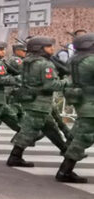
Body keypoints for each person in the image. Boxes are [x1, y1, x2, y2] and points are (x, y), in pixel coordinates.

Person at [7, 37, 71, 167]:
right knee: (29, 130)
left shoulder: (27, 61)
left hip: (31, 99)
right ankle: (15, 156)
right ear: (39, 49)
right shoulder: (45, 64)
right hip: (40, 102)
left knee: (50, 127)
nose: (52, 49)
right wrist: (67, 82)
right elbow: (50, 85)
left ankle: (65, 150)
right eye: (48, 46)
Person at [57, 33, 94, 183]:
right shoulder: (90, 60)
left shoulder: (74, 59)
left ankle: (65, 167)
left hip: (82, 100)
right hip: (91, 103)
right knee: (84, 137)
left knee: (79, 132)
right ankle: (65, 171)